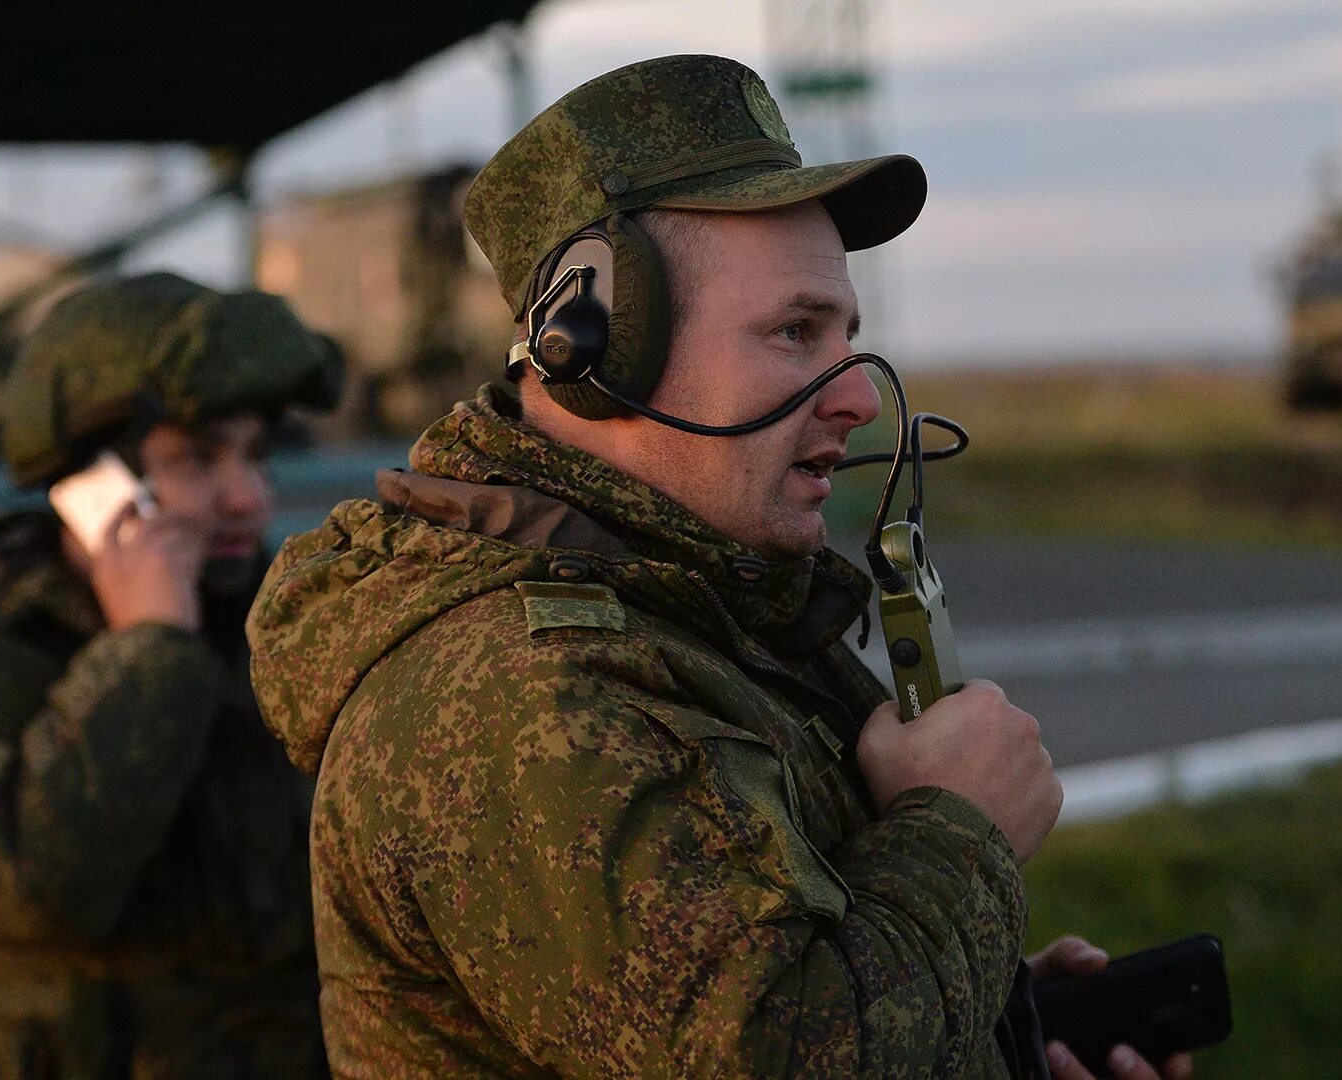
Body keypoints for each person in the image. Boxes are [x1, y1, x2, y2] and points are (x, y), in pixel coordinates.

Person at [247, 55, 1193, 1079]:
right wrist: (960, 834)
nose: (857, 399)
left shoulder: (697, 608)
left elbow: (787, 969)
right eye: (795, 332)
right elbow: (776, 1054)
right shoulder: (517, 698)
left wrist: (985, 1015)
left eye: (845, 337)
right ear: (593, 350)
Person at [0, 272, 342, 1078]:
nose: (247, 497)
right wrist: (149, 648)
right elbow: (25, 883)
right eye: (198, 458)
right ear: (94, 480)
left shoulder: (282, 622)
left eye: (256, 454)